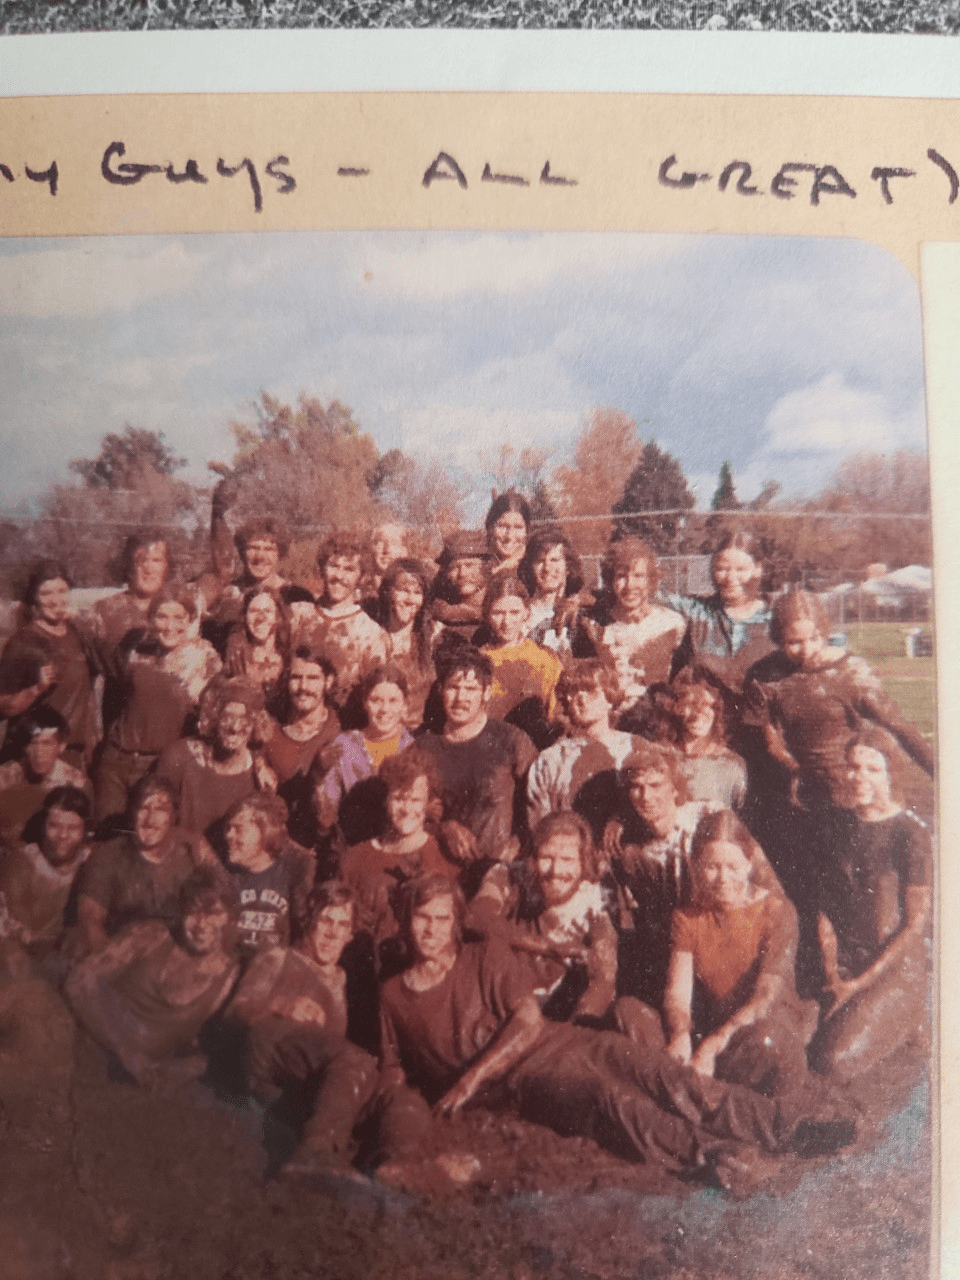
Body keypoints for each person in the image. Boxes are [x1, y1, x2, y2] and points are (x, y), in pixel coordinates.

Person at [379, 874, 855, 1193]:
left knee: (662, 1074)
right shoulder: (393, 997)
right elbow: (392, 1067)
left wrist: (468, 1078)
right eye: (421, 918)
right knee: (612, 1099)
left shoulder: (485, 957)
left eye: (442, 918)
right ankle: (720, 1156)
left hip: (560, 1042)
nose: (431, 929)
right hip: (520, 1083)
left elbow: (527, 1021)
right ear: (405, 921)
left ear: (456, 922)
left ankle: (784, 1126)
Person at [226, 881, 430, 1180]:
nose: (333, 933)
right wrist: (282, 1003)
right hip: (269, 1055)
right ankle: (315, 1154)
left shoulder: (341, 980)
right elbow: (236, 1010)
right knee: (354, 1061)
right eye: (325, 921)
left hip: (304, 1086)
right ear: (309, 922)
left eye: (342, 924)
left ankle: (398, 1165)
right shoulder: (279, 958)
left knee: (400, 1096)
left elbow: (341, 1060)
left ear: (350, 934)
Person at [662, 810, 815, 1097]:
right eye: (711, 867)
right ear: (696, 867)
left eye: (732, 866)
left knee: (763, 1041)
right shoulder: (687, 917)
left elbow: (765, 998)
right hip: (718, 1027)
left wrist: (713, 1044)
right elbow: (678, 993)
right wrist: (680, 1033)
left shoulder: (777, 910)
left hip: (768, 1028)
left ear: (748, 864)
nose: (722, 878)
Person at [810, 729, 932, 1080]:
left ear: (891, 773)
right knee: (795, 1042)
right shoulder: (837, 823)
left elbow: (915, 925)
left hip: (893, 968)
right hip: (843, 963)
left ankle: (908, 1022)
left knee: (834, 1061)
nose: (858, 777)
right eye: (852, 767)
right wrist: (833, 973)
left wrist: (860, 983)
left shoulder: (910, 833)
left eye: (871, 769)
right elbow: (824, 911)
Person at [65, 867, 240, 1090]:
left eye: (213, 913)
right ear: (181, 912)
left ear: (229, 916)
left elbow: (210, 1048)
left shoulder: (228, 977)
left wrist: (185, 1067)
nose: (201, 925)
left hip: (142, 1080)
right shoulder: (151, 936)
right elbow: (78, 980)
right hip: (93, 1048)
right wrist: (126, 1052)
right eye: (193, 912)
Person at [467, 812, 619, 1025]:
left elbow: (603, 981)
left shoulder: (597, 903)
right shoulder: (509, 875)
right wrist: (547, 947)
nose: (556, 871)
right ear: (533, 858)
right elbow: (475, 917)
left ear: (583, 862)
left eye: (567, 860)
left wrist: (570, 1030)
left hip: (558, 1017)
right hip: (504, 1004)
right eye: (546, 858)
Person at [94, 583, 222, 826]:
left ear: (191, 619)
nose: (170, 626)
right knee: (108, 835)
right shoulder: (137, 651)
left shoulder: (204, 658)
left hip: (159, 767)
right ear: (151, 619)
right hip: (116, 763)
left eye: (178, 618)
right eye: (162, 616)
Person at [416, 647, 537, 878]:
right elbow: (407, 812)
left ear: (486, 692)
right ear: (441, 690)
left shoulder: (512, 741)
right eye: (453, 688)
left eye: (471, 689)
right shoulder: (422, 748)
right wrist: (443, 828)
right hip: (438, 876)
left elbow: (539, 803)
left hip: (499, 872)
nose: (461, 698)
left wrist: (519, 843)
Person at [340, 749, 459, 968]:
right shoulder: (355, 857)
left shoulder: (445, 855)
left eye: (415, 800)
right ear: (386, 800)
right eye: (399, 799)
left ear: (428, 803)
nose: (407, 809)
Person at [76, 776, 216, 955]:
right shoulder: (108, 855)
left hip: (181, 958)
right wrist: (111, 964)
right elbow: (89, 920)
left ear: (174, 816)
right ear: (132, 813)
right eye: (143, 808)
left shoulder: (193, 848)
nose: (150, 820)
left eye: (160, 809)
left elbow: (223, 904)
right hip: (122, 958)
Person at [570, 538, 686, 720]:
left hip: (657, 721)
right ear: (610, 580)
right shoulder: (594, 626)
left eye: (638, 576)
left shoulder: (672, 623)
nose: (630, 585)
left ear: (650, 580)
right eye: (621, 576)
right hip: (612, 721)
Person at [155, 676, 275, 849]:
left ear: (256, 723)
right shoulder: (180, 757)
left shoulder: (258, 776)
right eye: (227, 717)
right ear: (214, 717)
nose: (234, 727)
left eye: (245, 719)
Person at [0, 561, 100, 767]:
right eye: (46, 594)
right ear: (34, 598)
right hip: (31, 756)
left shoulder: (78, 635)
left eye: (61, 591)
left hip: (73, 753)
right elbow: (3, 707)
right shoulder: (23, 642)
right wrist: (36, 690)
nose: (56, 600)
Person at [666, 529, 776, 712]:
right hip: (705, 725)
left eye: (741, 569)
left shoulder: (776, 619)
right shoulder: (695, 611)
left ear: (758, 569)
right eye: (722, 569)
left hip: (760, 729)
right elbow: (645, 594)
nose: (730, 578)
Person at [526, 660, 636, 834]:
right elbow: (540, 824)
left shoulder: (632, 749)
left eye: (591, 692)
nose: (582, 700)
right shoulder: (550, 759)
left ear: (610, 697)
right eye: (574, 693)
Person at [314, 664, 415, 849]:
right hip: (353, 847)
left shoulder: (414, 749)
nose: (384, 709)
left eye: (393, 701)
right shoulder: (344, 745)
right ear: (364, 702)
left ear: (404, 705)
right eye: (376, 700)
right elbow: (327, 812)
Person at [260, 644, 341, 849]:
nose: (303, 687)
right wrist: (258, 763)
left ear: (328, 682)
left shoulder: (341, 730)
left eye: (313, 678)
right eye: (296, 678)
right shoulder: (273, 732)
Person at [295, 533, 388, 712]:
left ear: (361, 576)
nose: (339, 576)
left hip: (343, 729)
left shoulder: (370, 633)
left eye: (349, 569)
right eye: (334, 566)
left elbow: (374, 698)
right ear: (322, 568)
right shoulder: (298, 615)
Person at [0, 785, 91, 956]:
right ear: (44, 825)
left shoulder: (90, 863)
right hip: (25, 955)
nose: (63, 835)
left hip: (72, 955)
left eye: (73, 828)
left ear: (85, 830)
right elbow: (11, 917)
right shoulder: (25, 861)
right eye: (54, 826)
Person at [223, 793, 315, 959]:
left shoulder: (292, 877)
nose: (228, 835)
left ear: (266, 832)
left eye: (238, 829)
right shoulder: (226, 878)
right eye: (229, 828)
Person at [479, 575, 563, 750]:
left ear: (526, 612)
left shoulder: (544, 658)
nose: (506, 622)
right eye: (498, 613)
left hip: (536, 747)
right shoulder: (478, 660)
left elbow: (556, 716)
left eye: (514, 613)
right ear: (487, 614)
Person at [0, 706, 89, 846]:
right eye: (32, 743)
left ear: (61, 746)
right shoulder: (5, 777)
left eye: (46, 743)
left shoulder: (75, 783)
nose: (39, 752)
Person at [659, 672, 747, 811]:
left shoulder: (731, 764)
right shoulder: (660, 756)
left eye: (707, 705)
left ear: (718, 710)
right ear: (676, 708)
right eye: (690, 704)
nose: (698, 713)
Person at [377, 558, 439, 730]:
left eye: (417, 592)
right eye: (403, 590)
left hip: (420, 736)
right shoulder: (372, 636)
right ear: (388, 592)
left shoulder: (435, 637)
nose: (410, 599)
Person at [223, 586, 291, 710]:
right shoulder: (238, 656)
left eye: (267, 611)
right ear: (244, 616)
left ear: (278, 617)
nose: (260, 618)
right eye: (253, 611)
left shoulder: (288, 659)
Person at [517, 526, 585, 649]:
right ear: (530, 568)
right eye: (540, 561)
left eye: (554, 560)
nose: (547, 568)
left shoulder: (577, 613)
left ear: (568, 567)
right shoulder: (521, 613)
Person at [429, 530, 494, 645]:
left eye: (469, 565)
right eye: (454, 567)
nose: (462, 573)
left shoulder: (502, 603)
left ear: (485, 567)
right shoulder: (438, 613)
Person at [485, 491, 531, 578]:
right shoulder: (480, 569)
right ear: (490, 528)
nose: (509, 536)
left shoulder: (532, 571)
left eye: (518, 527)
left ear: (527, 531)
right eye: (502, 526)